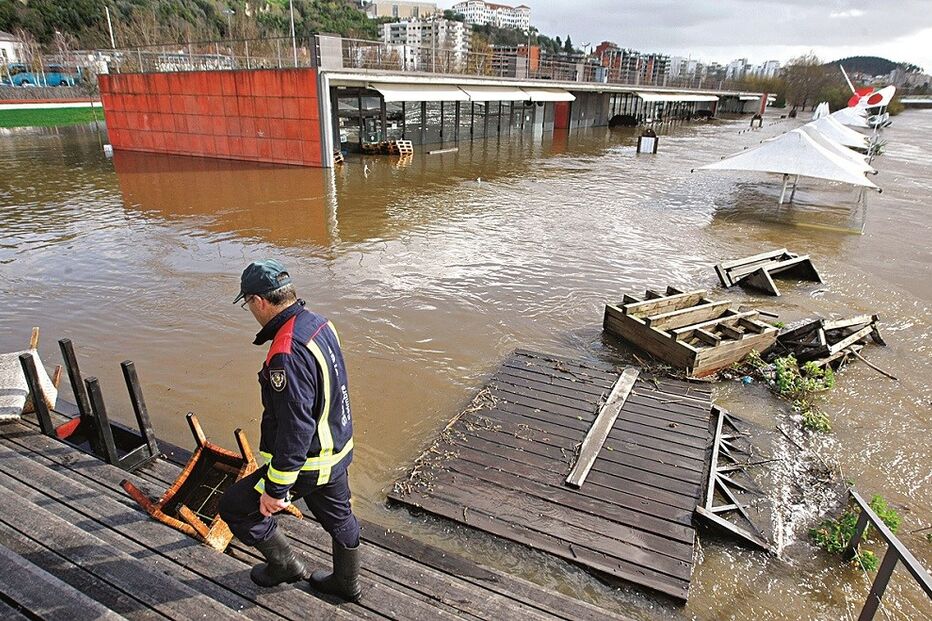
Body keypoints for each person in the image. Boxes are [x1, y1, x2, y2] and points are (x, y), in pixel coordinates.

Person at [219, 259, 361, 602]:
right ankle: (346, 583)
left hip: (307, 462)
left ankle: (285, 566)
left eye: (248, 304)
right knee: (340, 517)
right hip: (336, 450)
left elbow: (296, 426)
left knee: (236, 507)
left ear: (259, 301)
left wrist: (277, 488)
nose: (250, 311)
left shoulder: (285, 351)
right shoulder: (321, 325)